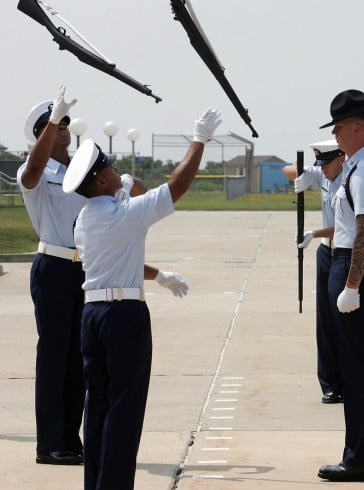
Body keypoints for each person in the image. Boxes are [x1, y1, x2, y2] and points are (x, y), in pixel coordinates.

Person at [62, 107, 222, 490]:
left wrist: (158, 275)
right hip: (123, 318)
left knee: (97, 407)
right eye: (112, 168)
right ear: (101, 180)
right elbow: (176, 187)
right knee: (125, 410)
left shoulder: (86, 218)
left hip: (94, 314)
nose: (118, 170)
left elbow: (118, 257)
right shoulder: (124, 214)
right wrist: (199, 139)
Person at [315, 89, 364, 483]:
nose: (337, 135)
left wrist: (352, 285)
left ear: (360, 128)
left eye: (340, 128)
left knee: (359, 367)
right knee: (354, 365)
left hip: (354, 267)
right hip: (347, 264)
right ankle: (359, 453)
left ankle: (362, 458)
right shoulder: (355, 167)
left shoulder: (363, 173)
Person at [18, 85, 86, 466]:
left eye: (65, 123)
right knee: (54, 356)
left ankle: (70, 439)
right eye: (55, 124)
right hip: (54, 269)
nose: (64, 129)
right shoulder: (37, 171)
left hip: (84, 267)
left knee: (78, 358)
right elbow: (30, 174)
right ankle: (49, 444)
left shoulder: (83, 168)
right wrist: (52, 121)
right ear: (41, 133)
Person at [282, 140, 346, 404]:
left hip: (343, 250)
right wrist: (304, 174)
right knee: (325, 322)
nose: (324, 170)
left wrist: (313, 233)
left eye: (326, 164)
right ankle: (330, 383)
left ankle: (349, 378)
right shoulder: (324, 172)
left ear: (340, 159)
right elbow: (287, 170)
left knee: (344, 320)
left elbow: (345, 225)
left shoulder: (349, 179)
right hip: (325, 253)